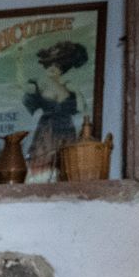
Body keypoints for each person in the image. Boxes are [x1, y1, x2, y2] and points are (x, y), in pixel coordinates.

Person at [23, 39, 89, 175]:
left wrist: (76, 91)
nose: (52, 68)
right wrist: (18, 61)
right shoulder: (39, 85)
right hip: (47, 128)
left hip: (66, 128)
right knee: (42, 158)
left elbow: (82, 109)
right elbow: (22, 87)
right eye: (50, 65)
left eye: (57, 66)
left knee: (65, 162)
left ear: (62, 70)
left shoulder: (68, 88)